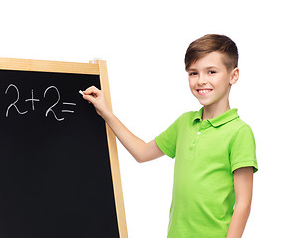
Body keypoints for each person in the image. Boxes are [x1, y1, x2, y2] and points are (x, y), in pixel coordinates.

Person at [82, 34, 258, 238]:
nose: (201, 81)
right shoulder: (184, 123)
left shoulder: (239, 132)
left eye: (211, 71)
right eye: (193, 73)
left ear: (233, 76)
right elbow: (142, 152)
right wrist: (107, 113)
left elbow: (243, 203)